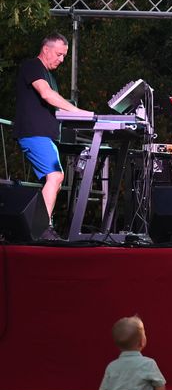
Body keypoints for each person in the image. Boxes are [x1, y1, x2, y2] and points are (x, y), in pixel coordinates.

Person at [14, 33, 93, 240]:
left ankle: (35, 228)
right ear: (46, 49)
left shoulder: (49, 76)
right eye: (59, 54)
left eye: (64, 56)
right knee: (56, 176)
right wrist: (80, 112)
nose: (62, 59)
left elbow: (53, 104)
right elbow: (47, 95)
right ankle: (41, 229)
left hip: (44, 136)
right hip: (34, 133)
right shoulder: (33, 66)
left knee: (54, 180)